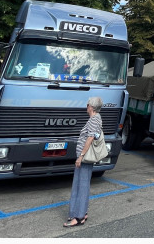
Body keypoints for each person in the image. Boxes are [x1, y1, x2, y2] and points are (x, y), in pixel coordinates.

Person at [64, 96, 103, 227]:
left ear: (91, 107)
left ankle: (78, 217)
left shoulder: (94, 119)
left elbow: (90, 138)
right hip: (86, 158)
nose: (86, 107)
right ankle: (83, 212)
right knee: (83, 185)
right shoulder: (96, 118)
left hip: (84, 159)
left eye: (87, 105)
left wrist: (80, 156)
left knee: (80, 186)